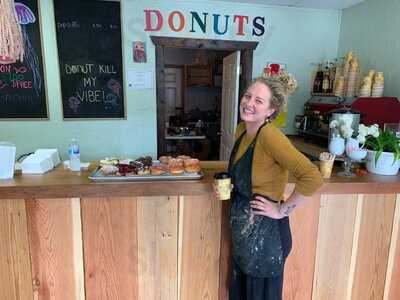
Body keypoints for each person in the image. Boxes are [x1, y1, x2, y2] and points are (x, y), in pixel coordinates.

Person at [214, 77, 323, 300]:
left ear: (270, 110)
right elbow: (251, 175)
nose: (249, 103)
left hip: (267, 238)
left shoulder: (271, 136)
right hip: (244, 235)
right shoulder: (242, 130)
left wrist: (280, 211)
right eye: (247, 96)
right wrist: (229, 187)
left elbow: (312, 177)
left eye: (259, 101)